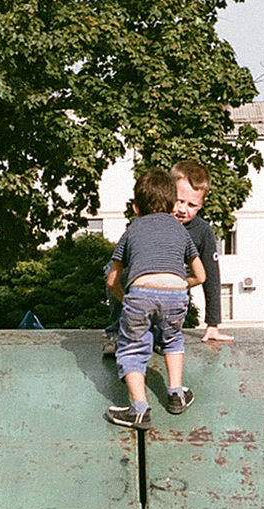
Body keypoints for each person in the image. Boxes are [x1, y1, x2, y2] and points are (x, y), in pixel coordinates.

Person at [104, 168, 206, 430]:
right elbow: (201, 275)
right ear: (173, 206)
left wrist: (128, 299)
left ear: (136, 208)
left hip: (140, 293)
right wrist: (177, 284)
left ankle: (139, 410)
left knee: (131, 347)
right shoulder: (181, 231)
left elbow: (112, 279)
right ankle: (176, 394)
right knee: (172, 339)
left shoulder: (131, 230)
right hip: (176, 294)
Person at [169, 160, 231, 343]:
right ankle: (119, 327)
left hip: (177, 290)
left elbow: (211, 277)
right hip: (147, 286)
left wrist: (213, 324)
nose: (182, 210)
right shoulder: (155, 220)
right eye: (179, 201)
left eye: (191, 205)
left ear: (202, 203)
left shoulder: (203, 231)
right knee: (113, 269)